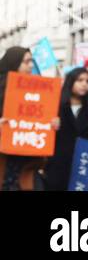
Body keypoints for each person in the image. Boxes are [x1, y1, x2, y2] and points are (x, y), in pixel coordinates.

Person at [43, 67, 88, 191]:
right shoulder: (56, 106)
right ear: (70, 82)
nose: (84, 84)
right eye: (80, 80)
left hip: (82, 165)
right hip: (57, 164)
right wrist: (51, 124)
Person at [0, 47, 38, 191]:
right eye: (26, 62)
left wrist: (51, 124)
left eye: (31, 61)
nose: (31, 66)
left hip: (23, 158)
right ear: (14, 62)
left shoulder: (36, 89)